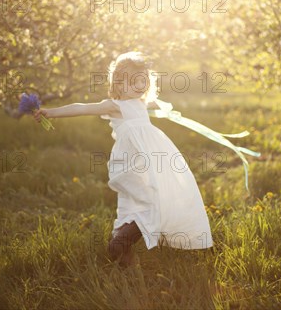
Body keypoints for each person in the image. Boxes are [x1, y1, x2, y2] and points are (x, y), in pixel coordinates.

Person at [33, 51, 213, 268]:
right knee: (148, 199)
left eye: (143, 80)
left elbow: (159, 105)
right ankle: (123, 240)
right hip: (132, 161)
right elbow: (82, 108)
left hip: (151, 158)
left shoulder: (140, 102)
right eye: (134, 80)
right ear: (119, 84)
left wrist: (169, 110)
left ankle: (124, 249)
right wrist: (51, 112)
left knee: (149, 198)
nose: (140, 85)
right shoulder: (116, 106)